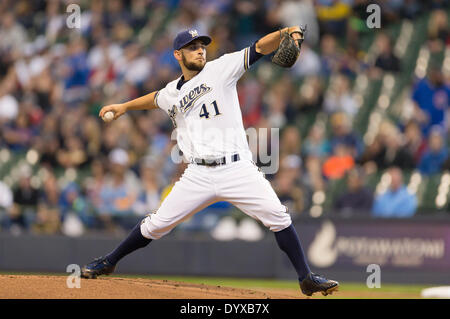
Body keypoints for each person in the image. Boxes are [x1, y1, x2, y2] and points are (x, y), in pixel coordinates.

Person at [81, 27, 339, 297]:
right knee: (156, 225)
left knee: (278, 217)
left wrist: (284, 32)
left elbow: (259, 48)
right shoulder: (173, 92)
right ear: (178, 55)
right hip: (198, 174)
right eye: (193, 46)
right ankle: (109, 262)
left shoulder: (222, 68)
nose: (200, 49)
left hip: (237, 168)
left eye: (202, 45)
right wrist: (124, 106)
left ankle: (306, 278)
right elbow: (156, 99)